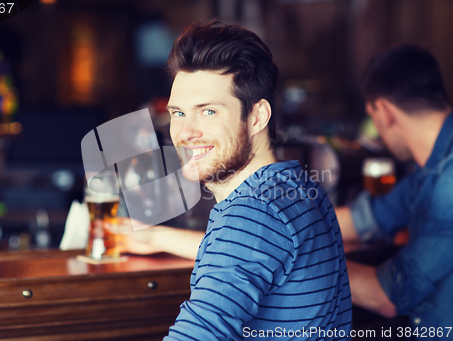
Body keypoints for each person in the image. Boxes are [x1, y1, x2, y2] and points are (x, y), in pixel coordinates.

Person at [125, 21, 352, 340]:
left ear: (257, 116)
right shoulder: (298, 187)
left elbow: (199, 334)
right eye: (178, 113)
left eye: (208, 112)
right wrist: (151, 238)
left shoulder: (251, 214)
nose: (185, 132)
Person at [335, 44, 453, 336]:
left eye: (371, 114)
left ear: (384, 112)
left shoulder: (449, 181)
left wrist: (291, 257)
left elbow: (389, 295)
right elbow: (365, 219)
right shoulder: (429, 171)